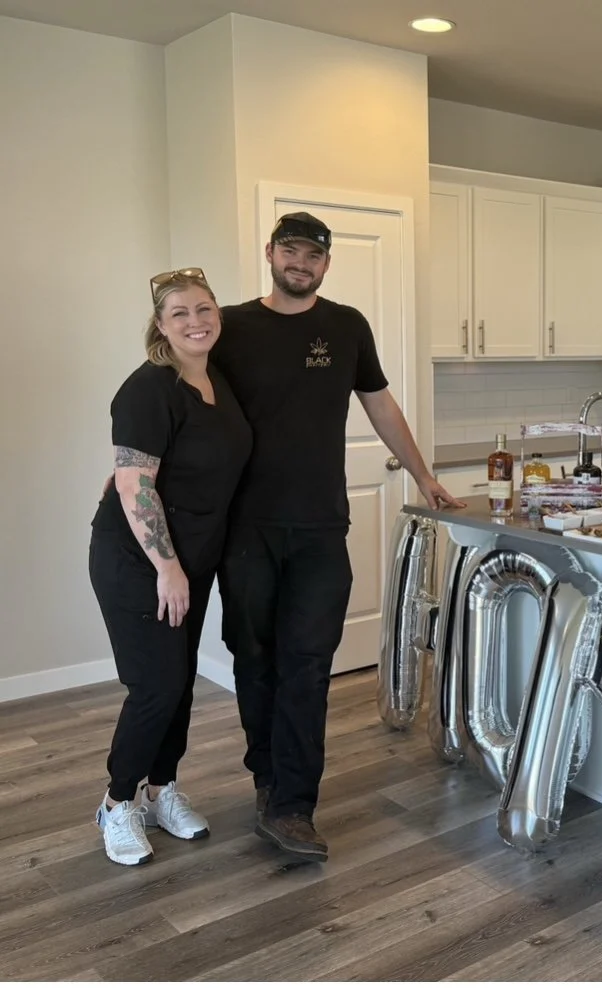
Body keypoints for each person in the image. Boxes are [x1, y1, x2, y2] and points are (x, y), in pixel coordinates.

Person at [210, 212, 462, 864]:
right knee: (253, 655)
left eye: (313, 255)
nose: (302, 263)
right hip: (245, 529)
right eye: (291, 250)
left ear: (326, 263)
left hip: (321, 527)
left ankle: (293, 803)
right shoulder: (232, 327)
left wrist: (423, 476)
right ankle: (266, 773)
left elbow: (379, 402)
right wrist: (133, 464)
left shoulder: (345, 326)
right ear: (270, 252)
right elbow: (181, 396)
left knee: (308, 664)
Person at [90, 269, 252, 866]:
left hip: (192, 560)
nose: (195, 320)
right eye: (179, 313)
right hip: (140, 562)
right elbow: (135, 484)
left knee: (178, 682)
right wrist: (167, 567)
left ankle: (161, 791)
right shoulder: (147, 388)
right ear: (160, 326)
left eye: (204, 309)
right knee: (155, 686)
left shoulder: (217, 382)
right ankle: (115, 801)